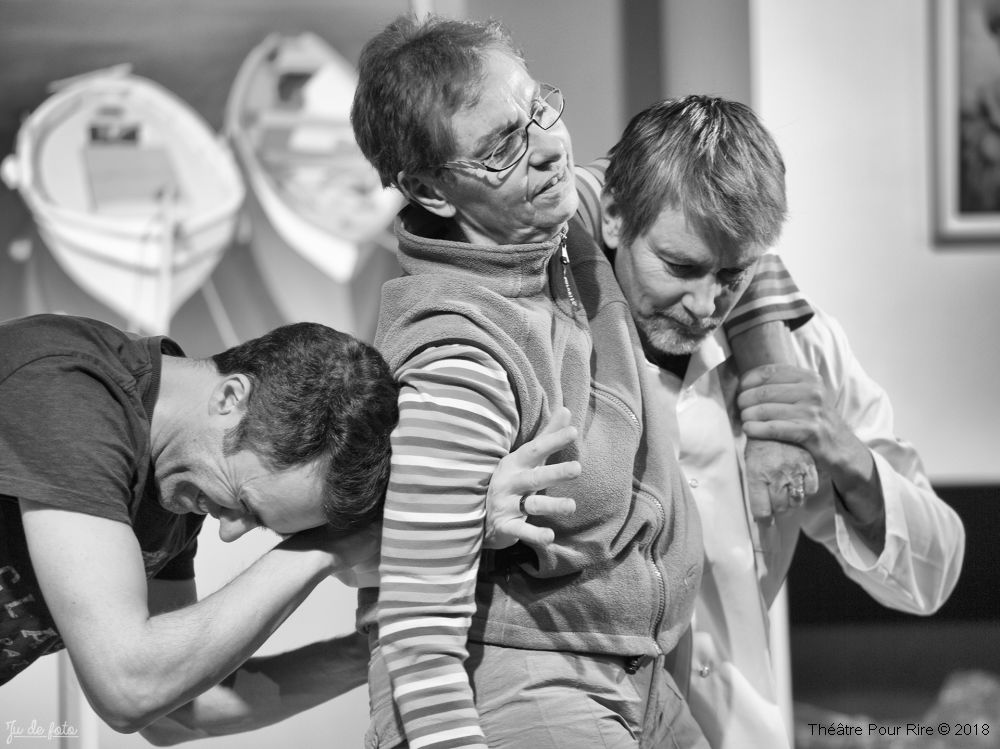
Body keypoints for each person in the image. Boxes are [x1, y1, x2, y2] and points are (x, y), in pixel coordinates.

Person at [350, 16, 812, 749]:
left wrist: (775, 400)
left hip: (638, 678)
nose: (548, 147)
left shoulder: (559, 222)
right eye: (501, 146)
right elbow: (413, 632)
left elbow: (714, 219)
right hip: (526, 684)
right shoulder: (459, 359)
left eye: (538, 107)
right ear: (429, 189)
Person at [576, 95, 966, 748]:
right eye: (680, 267)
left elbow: (934, 571)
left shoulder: (805, 350)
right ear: (614, 217)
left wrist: (843, 450)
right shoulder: (547, 343)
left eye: (734, 273)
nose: (705, 304)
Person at [0, 312, 571, 740]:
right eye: (243, 503)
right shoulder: (66, 386)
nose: (227, 532)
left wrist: (377, 644)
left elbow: (180, 712)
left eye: (255, 522)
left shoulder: (177, 485)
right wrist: (318, 552)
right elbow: (129, 687)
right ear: (231, 397)